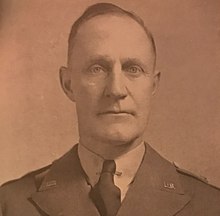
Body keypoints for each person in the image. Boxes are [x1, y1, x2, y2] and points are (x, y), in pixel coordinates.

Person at [0, 2, 220, 216]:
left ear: (153, 85)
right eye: (97, 68)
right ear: (68, 84)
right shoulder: (10, 205)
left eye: (133, 69)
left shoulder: (210, 205)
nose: (116, 90)